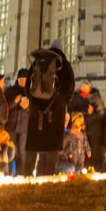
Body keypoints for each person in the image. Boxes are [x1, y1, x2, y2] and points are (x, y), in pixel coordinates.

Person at [25, 39, 74, 176]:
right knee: (51, 148)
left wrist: (33, 100)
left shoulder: (38, 61)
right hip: (55, 111)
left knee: (35, 146)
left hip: (37, 110)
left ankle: (28, 177)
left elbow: (28, 83)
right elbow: (70, 86)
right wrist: (62, 103)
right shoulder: (64, 64)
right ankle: (47, 177)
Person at [67, 79, 106, 171]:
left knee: (95, 153)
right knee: (80, 153)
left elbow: (101, 113)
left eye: (87, 88)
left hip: (94, 131)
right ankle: (82, 170)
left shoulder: (95, 98)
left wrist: (88, 116)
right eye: (83, 88)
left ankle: (96, 171)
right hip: (80, 129)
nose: (85, 91)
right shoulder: (75, 97)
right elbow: (71, 110)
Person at [3, 69, 31, 174]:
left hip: (24, 128)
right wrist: (14, 102)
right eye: (21, 79)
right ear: (17, 79)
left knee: (23, 153)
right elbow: (5, 107)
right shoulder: (10, 91)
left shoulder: (30, 93)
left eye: (25, 80)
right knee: (10, 152)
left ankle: (21, 175)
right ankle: (8, 174)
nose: (23, 82)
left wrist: (28, 107)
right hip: (11, 127)